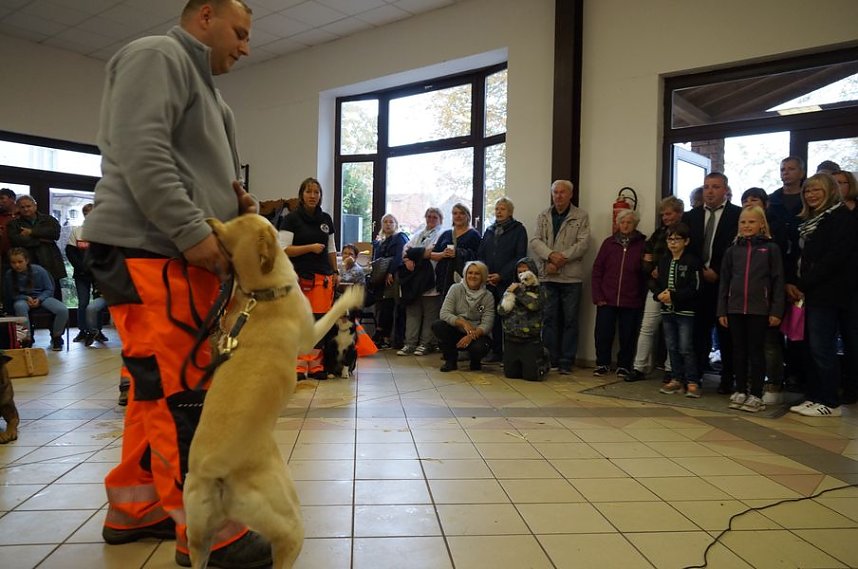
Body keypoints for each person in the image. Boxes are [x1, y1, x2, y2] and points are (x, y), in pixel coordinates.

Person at [80, 2, 270, 567]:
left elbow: (198, 171)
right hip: (152, 250)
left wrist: (235, 204)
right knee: (185, 396)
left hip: (170, 256)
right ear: (205, 16)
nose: (245, 46)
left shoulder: (212, 96)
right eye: (239, 33)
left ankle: (136, 508)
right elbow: (141, 151)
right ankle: (213, 535)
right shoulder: (158, 55)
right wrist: (191, 229)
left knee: (154, 389)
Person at [788, 173, 858, 417]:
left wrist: (804, 283)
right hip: (809, 292)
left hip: (828, 294)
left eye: (816, 190)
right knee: (810, 346)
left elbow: (833, 259)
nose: (811, 194)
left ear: (831, 190)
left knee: (822, 347)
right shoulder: (812, 220)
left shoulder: (841, 218)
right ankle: (814, 395)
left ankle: (830, 401)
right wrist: (794, 282)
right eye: (807, 190)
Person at [717, 206, 785, 413]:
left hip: (759, 309)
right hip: (735, 308)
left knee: (756, 351)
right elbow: (724, 282)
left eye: (751, 222)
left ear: (761, 224)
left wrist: (776, 311)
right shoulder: (732, 250)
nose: (747, 226)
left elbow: (778, 281)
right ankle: (740, 389)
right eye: (743, 222)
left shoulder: (771, 249)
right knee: (738, 351)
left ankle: (756, 393)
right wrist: (722, 310)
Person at [681, 172, 742, 394]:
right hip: (699, 281)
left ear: (725, 190)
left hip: (724, 281)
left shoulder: (737, 214)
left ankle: (727, 378)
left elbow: (734, 247)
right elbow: (688, 248)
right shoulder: (692, 216)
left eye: (715, 187)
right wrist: (701, 270)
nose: (709, 191)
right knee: (699, 332)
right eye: (706, 187)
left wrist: (717, 270)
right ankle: (695, 375)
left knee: (726, 334)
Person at [279, 177, 340, 379]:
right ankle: (298, 367)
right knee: (298, 322)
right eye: (308, 192)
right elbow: (283, 250)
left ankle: (315, 365)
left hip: (322, 277)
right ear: (301, 195)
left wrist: (336, 271)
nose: (313, 196)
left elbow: (331, 249)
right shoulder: (291, 219)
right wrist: (310, 248)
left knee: (319, 321)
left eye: (316, 192)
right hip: (297, 277)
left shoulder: (326, 219)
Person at [530, 179, 590, 375]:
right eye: (555, 192)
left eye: (562, 192)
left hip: (571, 277)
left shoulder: (581, 216)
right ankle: (550, 358)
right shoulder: (543, 215)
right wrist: (550, 256)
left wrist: (561, 258)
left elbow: (583, 244)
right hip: (548, 276)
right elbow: (535, 240)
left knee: (570, 320)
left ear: (570, 194)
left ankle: (566, 360)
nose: (558, 196)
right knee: (549, 319)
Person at [626, 196, 684, 382]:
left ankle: (670, 369)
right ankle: (639, 367)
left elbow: (684, 261)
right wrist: (650, 268)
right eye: (663, 214)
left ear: (679, 213)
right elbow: (646, 257)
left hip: (676, 290)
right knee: (647, 328)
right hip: (655, 288)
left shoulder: (685, 233)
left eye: (668, 213)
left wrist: (662, 268)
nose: (665, 217)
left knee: (672, 331)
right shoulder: (659, 233)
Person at [590, 209, 647, 377]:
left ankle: (624, 365)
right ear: (618, 224)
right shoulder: (608, 243)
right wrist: (597, 296)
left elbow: (645, 273)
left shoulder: (643, 244)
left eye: (629, 222)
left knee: (628, 334)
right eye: (622, 222)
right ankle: (602, 363)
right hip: (607, 298)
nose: (625, 225)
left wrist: (641, 297)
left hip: (631, 299)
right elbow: (597, 270)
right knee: (603, 333)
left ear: (635, 224)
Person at [477, 197, 528, 363]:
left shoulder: (519, 230)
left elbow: (520, 256)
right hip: (489, 282)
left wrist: (501, 275)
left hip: (507, 282)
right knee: (493, 318)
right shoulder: (489, 230)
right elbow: (481, 254)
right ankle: (496, 352)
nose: (499, 212)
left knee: (509, 318)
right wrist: (486, 275)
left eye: (503, 209)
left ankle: (511, 355)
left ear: (510, 212)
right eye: (497, 208)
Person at [654, 223, 702, 398]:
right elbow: (658, 283)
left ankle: (692, 381)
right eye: (670, 239)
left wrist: (674, 296)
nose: (673, 243)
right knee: (671, 346)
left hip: (685, 311)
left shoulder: (692, 261)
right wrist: (659, 294)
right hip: (667, 310)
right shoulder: (664, 261)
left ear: (686, 241)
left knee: (685, 347)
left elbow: (695, 287)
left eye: (677, 239)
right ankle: (676, 379)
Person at [431, 260, 495, 372]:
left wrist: (471, 335)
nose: (473, 276)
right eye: (470, 273)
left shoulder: (488, 296)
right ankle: (450, 361)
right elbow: (444, 313)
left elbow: (487, 323)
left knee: (480, 347)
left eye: (477, 273)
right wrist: (463, 323)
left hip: (477, 334)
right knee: (438, 326)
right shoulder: (455, 289)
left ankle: (475, 361)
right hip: (456, 329)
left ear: (483, 276)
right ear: (465, 275)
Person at [397, 208, 443, 356]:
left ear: (440, 219)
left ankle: (425, 343)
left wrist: (414, 253)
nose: (431, 219)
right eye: (428, 216)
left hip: (431, 280)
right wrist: (407, 258)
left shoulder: (442, 234)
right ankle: (409, 343)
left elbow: (431, 252)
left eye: (434, 217)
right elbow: (406, 250)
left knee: (430, 314)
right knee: (413, 313)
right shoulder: (418, 234)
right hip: (414, 280)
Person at [4, 247, 69, 351]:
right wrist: (25, 297)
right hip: (23, 298)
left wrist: (39, 299)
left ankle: (57, 336)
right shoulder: (9, 275)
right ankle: (27, 338)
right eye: (13, 262)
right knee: (19, 306)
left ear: (27, 260)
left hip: (43, 296)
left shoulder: (39, 270)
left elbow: (49, 289)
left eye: (20, 262)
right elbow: (12, 294)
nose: (17, 265)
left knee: (62, 310)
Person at [8, 195, 67, 301]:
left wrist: (31, 232)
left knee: (55, 292)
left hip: (50, 260)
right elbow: (17, 240)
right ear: (18, 208)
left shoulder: (49, 219)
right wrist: (42, 239)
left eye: (28, 206)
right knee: (30, 294)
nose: (26, 209)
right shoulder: (14, 224)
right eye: (22, 207)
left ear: (35, 206)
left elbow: (55, 234)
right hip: (28, 262)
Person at [497, 257, 546, 381]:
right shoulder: (511, 288)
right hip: (511, 338)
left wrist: (518, 292)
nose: (522, 275)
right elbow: (500, 310)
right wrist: (508, 296)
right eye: (519, 272)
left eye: (525, 271)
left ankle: (544, 357)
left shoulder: (540, 290)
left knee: (531, 377)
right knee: (511, 375)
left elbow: (533, 305)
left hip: (529, 339)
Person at [66, 203, 108, 344]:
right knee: (83, 302)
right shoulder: (77, 232)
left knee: (98, 304)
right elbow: (70, 252)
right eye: (86, 213)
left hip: (99, 275)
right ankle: (83, 331)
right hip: (82, 274)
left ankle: (98, 331)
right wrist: (83, 267)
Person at [371, 213, 408, 350]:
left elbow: (399, 256)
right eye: (385, 222)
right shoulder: (381, 241)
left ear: (396, 224)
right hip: (381, 278)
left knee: (391, 305)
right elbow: (378, 260)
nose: (388, 224)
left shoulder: (400, 238)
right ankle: (382, 334)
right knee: (383, 305)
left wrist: (391, 272)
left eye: (391, 222)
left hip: (395, 276)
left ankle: (384, 334)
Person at [431, 202, 481, 297]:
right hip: (444, 281)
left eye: (461, 213)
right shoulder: (446, 234)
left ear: (467, 216)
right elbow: (433, 254)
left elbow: (479, 258)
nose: (458, 216)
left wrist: (458, 253)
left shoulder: (474, 235)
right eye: (455, 213)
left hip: (464, 281)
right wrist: (442, 254)